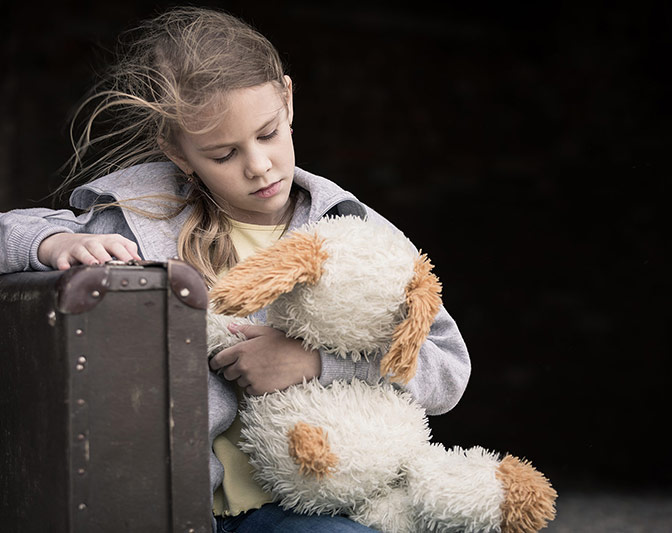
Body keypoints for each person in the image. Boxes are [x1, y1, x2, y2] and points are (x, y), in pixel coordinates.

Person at [0, 6, 471, 533]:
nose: (258, 165)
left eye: (268, 133)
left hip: (311, 505)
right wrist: (51, 241)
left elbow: (447, 371)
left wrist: (314, 363)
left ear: (288, 100)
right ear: (177, 152)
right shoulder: (139, 220)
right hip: (184, 510)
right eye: (223, 154)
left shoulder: (356, 230)